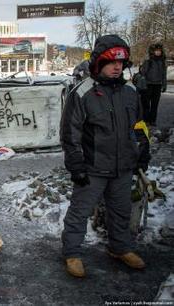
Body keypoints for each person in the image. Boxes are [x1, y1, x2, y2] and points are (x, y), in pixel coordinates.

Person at [60, 34, 149, 278]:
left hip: (123, 166)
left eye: (121, 63)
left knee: (120, 210)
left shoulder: (130, 91)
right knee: (80, 211)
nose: (117, 67)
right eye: (112, 62)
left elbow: (139, 125)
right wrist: (75, 163)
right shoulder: (83, 92)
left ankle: (120, 248)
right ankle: (72, 253)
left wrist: (143, 151)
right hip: (93, 167)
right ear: (99, 63)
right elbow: (70, 133)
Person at [140, 43, 167, 126]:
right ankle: (146, 120)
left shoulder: (162, 62)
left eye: (160, 51)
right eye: (156, 51)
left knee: (155, 104)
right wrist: (143, 66)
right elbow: (143, 73)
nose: (158, 52)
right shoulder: (149, 61)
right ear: (153, 51)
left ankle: (153, 120)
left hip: (157, 85)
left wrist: (164, 85)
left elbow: (164, 75)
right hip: (148, 85)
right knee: (146, 104)